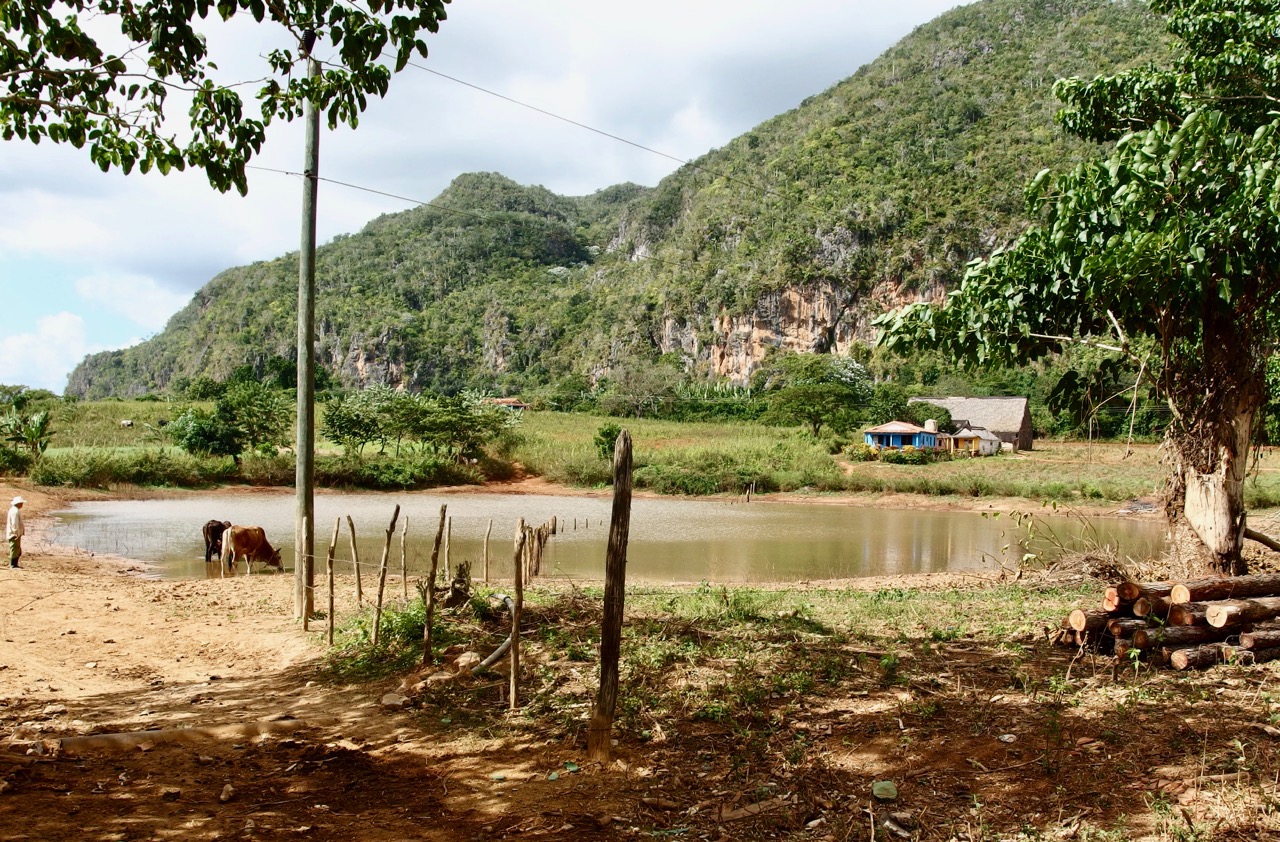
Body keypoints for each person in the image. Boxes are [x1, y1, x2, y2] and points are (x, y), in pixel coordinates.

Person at [6, 496, 24, 568]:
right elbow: (14, 523)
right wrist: (16, 533)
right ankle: (13, 564)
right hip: (14, 533)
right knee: (14, 548)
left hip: (14, 533)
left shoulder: (14, 510)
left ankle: (14, 564)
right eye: (21, 503)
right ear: (19, 503)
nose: (22, 504)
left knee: (17, 549)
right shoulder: (15, 511)